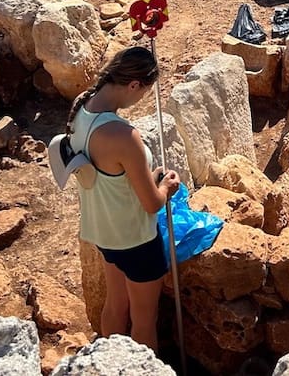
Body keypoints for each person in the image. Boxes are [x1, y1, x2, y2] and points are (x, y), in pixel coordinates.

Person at [67, 47, 180, 351]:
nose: (141, 99)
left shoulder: (82, 107)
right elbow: (153, 204)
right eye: (144, 92)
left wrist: (146, 177)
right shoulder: (123, 135)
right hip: (135, 238)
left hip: (103, 232)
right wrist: (166, 186)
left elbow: (111, 177)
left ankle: (105, 363)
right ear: (134, 85)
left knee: (116, 306)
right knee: (145, 318)